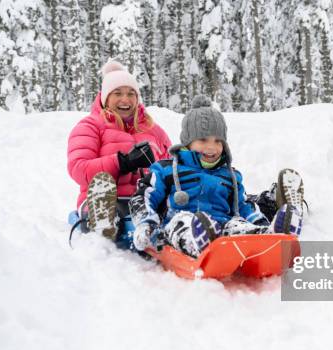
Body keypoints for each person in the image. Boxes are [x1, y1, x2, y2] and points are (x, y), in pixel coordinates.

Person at [129, 95, 304, 257]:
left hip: (223, 225)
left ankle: (268, 238)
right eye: (203, 140)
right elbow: (144, 196)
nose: (212, 147)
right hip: (181, 223)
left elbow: (244, 206)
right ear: (187, 143)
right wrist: (145, 222)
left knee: (237, 225)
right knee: (183, 222)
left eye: (218, 141)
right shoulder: (166, 169)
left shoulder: (230, 176)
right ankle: (199, 243)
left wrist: (259, 223)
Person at [67, 60, 171, 241]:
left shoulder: (153, 130)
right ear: (106, 98)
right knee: (105, 197)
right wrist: (122, 162)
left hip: (144, 201)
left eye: (131, 93)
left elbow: (172, 164)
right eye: (118, 93)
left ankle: (169, 229)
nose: (125, 99)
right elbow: (78, 168)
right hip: (108, 197)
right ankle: (103, 223)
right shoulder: (90, 126)